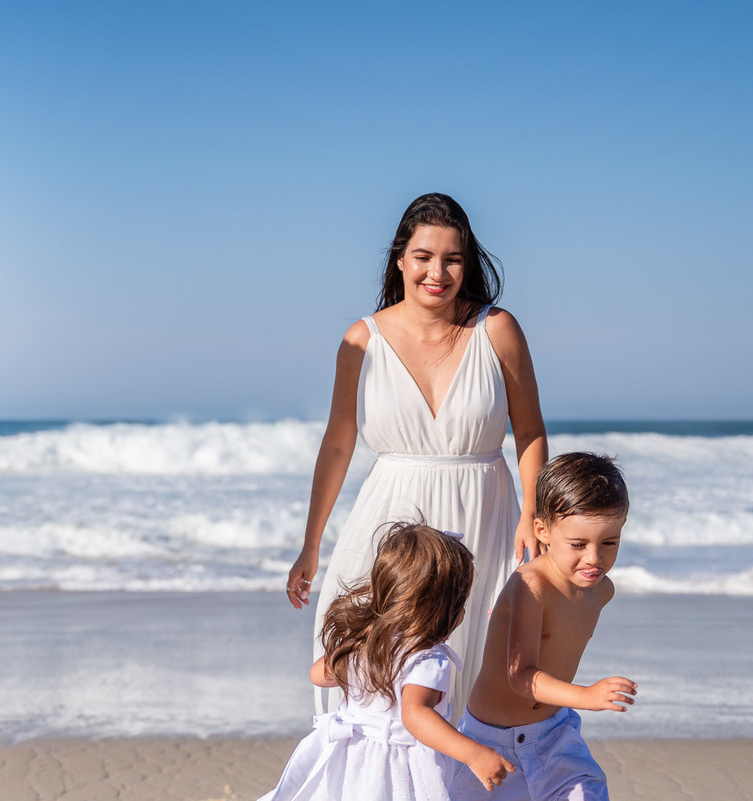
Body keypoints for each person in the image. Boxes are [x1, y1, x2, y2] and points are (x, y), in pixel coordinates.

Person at [286, 193, 547, 718]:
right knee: (371, 666)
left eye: (453, 258)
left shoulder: (497, 330)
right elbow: (338, 443)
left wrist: (531, 514)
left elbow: (531, 433)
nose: (438, 272)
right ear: (400, 259)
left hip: (484, 518)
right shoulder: (363, 339)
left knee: (474, 669)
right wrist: (310, 545)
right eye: (424, 256)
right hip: (390, 518)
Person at [259, 524, 515, 801]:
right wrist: (473, 753)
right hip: (395, 769)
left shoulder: (365, 641)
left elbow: (318, 675)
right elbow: (416, 716)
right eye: (461, 602)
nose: (463, 611)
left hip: (348, 757)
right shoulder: (427, 657)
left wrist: (353, 647)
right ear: (440, 610)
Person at [448, 453, 634, 800]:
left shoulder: (601, 591)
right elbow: (520, 678)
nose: (594, 558)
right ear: (542, 531)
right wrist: (586, 696)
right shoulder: (531, 586)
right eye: (578, 545)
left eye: (609, 542)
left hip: (554, 735)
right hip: (491, 743)